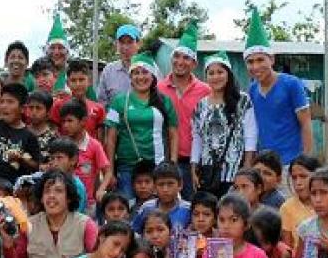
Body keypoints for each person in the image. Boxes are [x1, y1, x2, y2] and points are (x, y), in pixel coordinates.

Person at [105, 52, 178, 199]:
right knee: (128, 208)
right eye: (136, 73)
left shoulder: (164, 101)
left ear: (153, 76)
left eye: (145, 72)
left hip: (158, 166)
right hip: (127, 167)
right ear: (130, 77)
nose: (140, 77)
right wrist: (110, 171)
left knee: (157, 210)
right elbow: (110, 139)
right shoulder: (118, 102)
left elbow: (173, 135)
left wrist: (173, 165)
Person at [245, 8, 312, 165]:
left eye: (260, 60)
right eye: (250, 61)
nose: (255, 66)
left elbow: (306, 123)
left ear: (272, 60)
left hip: (291, 163)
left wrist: (305, 162)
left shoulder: (291, 84)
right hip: (263, 165)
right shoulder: (252, 90)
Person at [191, 51, 256, 199]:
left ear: (228, 74)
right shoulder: (200, 105)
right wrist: (194, 166)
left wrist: (247, 167)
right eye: (211, 73)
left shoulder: (243, 100)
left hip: (234, 171)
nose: (216, 77)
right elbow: (197, 138)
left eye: (220, 72)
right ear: (206, 77)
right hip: (208, 171)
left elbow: (250, 135)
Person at [159, 22, 211, 199]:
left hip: (196, 161)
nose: (180, 62)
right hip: (166, 159)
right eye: (177, 56)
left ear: (194, 63)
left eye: (186, 58)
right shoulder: (158, 88)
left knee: (195, 207)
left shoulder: (205, 90)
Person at [58, 99, 113, 211]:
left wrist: (101, 190)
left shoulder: (94, 145)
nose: (65, 125)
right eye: (63, 121)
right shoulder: (61, 144)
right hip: (64, 203)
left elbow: (108, 171)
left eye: (70, 121)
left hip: (88, 204)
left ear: (83, 121)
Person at [51, 62, 107, 142]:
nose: (78, 84)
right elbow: (54, 134)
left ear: (89, 81)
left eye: (81, 80)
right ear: (68, 83)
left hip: (90, 153)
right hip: (65, 152)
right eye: (73, 80)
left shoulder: (99, 108)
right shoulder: (58, 105)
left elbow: (100, 140)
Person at [131, 161, 192, 234]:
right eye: (161, 184)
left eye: (170, 184)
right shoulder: (146, 208)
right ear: (154, 187)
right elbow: (134, 233)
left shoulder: (188, 209)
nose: (165, 189)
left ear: (180, 185)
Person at [280, 154, 321, 249]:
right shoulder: (287, 208)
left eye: (303, 176)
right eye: (294, 178)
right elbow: (288, 248)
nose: (298, 183)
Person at [98, 24, 141, 106]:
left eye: (130, 42)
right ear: (116, 45)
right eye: (122, 42)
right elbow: (102, 103)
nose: (125, 47)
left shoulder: (149, 69)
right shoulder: (108, 71)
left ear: (138, 44)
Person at [25, 91, 57, 165]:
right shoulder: (21, 131)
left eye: (38, 108)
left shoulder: (53, 138)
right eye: (31, 107)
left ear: (48, 112)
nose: (34, 112)